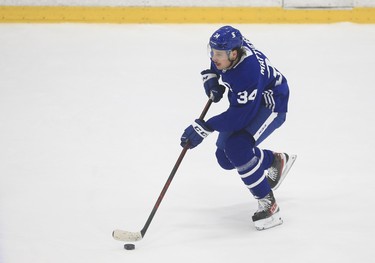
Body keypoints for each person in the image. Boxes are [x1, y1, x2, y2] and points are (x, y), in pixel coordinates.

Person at [180, 25, 296, 230]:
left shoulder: (247, 74)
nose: (214, 57)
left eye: (219, 54)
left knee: (237, 148)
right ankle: (275, 160)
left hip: (271, 103)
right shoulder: (233, 51)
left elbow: (240, 117)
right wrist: (212, 78)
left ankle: (268, 204)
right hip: (249, 101)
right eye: (212, 51)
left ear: (234, 54)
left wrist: (205, 127)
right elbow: (217, 65)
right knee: (225, 157)